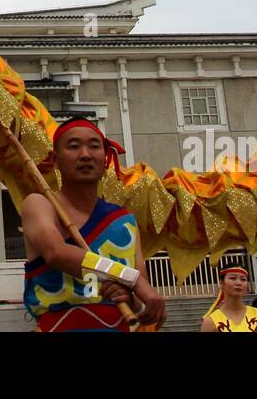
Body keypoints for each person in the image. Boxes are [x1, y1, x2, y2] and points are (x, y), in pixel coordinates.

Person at [22, 119, 166, 332]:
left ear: (105, 158)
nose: (85, 155)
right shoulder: (40, 205)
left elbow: (139, 303)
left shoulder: (124, 221)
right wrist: (131, 279)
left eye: (94, 146)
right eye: (73, 146)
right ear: (55, 159)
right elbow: (56, 252)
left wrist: (131, 298)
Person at [201, 262, 257, 332]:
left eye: (243, 279)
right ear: (222, 283)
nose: (239, 283)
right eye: (233, 278)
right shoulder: (211, 321)